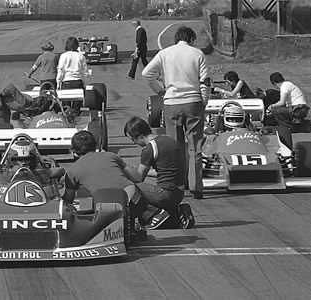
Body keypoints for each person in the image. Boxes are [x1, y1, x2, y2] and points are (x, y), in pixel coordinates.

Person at [141, 26, 211, 199]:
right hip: (193, 101)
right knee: (195, 146)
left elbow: (146, 73)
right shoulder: (197, 54)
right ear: (191, 39)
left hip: (171, 102)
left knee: (175, 147)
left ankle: (178, 185)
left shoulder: (165, 54)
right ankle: (196, 187)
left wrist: (160, 91)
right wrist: (203, 101)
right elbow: (205, 82)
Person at [62, 131, 149, 234]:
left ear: (74, 151)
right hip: (133, 201)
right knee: (138, 191)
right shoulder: (111, 156)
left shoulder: (72, 172)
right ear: (95, 145)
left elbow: (68, 202)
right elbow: (136, 177)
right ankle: (136, 224)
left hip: (106, 210)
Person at [124, 117, 195, 229]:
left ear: (139, 136)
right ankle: (176, 214)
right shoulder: (169, 140)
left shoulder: (149, 149)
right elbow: (166, 170)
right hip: (179, 192)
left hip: (165, 193)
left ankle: (154, 213)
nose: (134, 143)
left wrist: (125, 169)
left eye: (133, 139)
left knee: (130, 188)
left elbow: (138, 178)